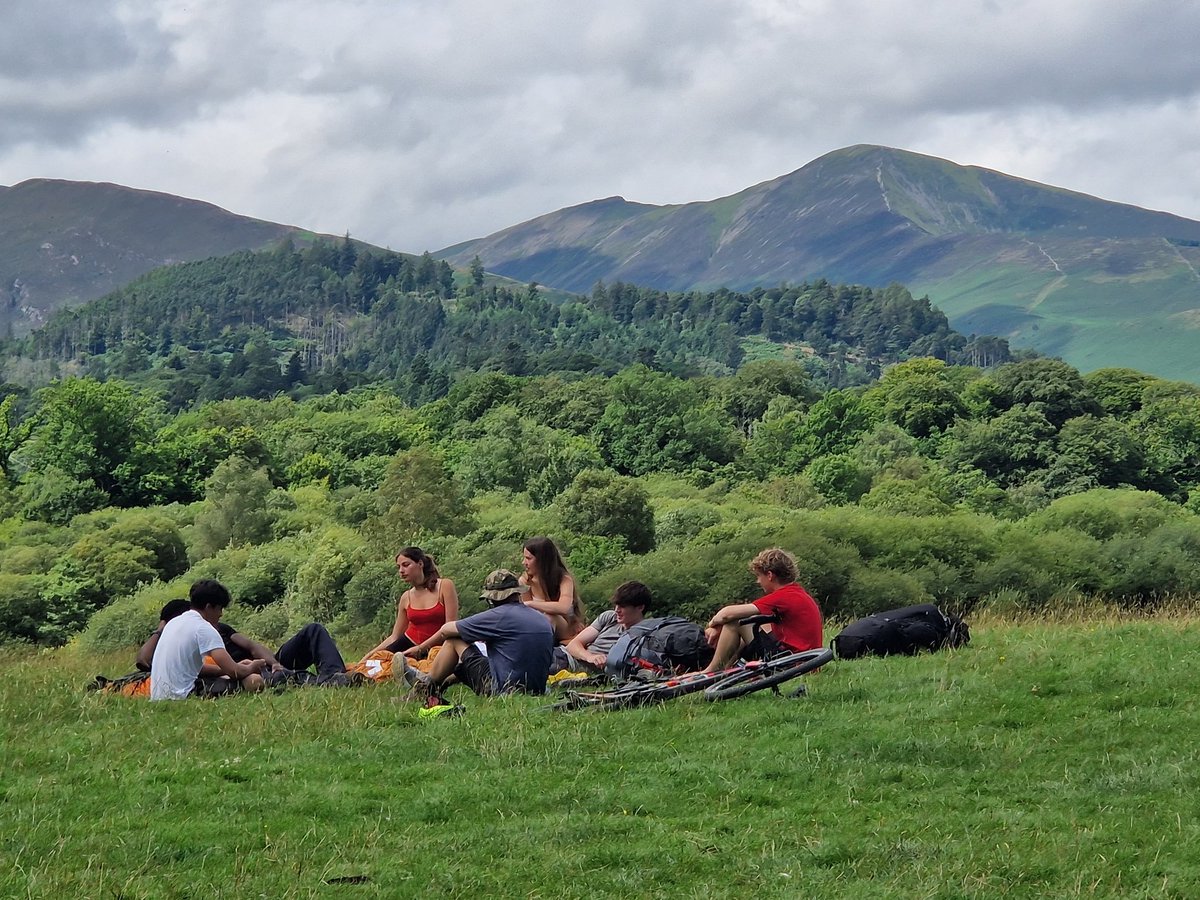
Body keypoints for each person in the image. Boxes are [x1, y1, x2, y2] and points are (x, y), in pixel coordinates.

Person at [398, 569, 554, 707]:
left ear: (493, 598)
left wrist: (421, 648)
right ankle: (427, 684)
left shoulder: (498, 616)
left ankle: (426, 685)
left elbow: (446, 629)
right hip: (538, 688)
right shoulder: (539, 617)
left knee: (454, 640)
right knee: (470, 665)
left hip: (503, 690)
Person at [140, 598, 360, 687]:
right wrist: (160, 629)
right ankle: (336, 682)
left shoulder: (221, 630)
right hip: (244, 673)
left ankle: (334, 674)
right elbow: (144, 661)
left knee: (314, 630)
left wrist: (273, 662)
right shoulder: (182, 639)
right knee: (280, 677)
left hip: (265, 665)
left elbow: (252, 646)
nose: (220, 615)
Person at [703, 548, 823, 672]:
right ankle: (727, 670)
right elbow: (764, 626)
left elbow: (726, 614)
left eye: (759, 576)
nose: (758, 581)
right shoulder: (796, 592)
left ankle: (711, 671)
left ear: (770, 575)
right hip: (808, 662)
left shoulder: (783, 596)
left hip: (793, 662)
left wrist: (713, 625)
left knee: (737, 622)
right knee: (750, 624)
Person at [149, 580, 264, 701]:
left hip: (159, 695)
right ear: (209, 607)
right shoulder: (203, 628)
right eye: (219, 609)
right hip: (183, 694)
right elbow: (234, 672)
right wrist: (252, 666)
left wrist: (231, 668)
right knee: (255, 681)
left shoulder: (174, 622)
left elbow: (194, 668)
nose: (221, 614)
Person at [361, 546, 458, 660]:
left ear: (420, 564)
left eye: (406, 565)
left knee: (426, 667)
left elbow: (450, 627)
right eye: (399, 567)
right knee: (375, 663)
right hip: (408, 643)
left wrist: (421, 648)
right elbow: (395, 636)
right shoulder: (406, 597)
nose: (401, 571)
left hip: (438, 646)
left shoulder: (445, 586)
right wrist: (369, 655)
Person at [565, 581, 651, 672]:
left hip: (582, 666)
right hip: (568, 656)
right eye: (616, 605)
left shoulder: (643, 635)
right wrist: (589, 657)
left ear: (640, 607)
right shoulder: (610, 617)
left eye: (623, 606)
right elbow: (573, 645)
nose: (617, 610)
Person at [519, 536, 586, 642]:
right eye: (524, 558)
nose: (524, 563)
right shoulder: (525, 582)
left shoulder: (563, 579)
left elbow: (563, 607)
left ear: (542, 560)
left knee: (550, 617)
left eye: (528, 558)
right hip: (537, 628)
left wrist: (530, 604)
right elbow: (527, 615)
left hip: (564, 628)